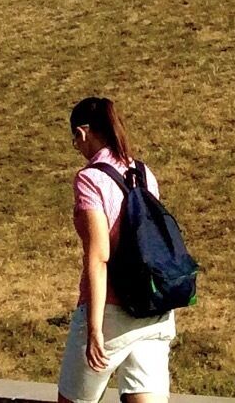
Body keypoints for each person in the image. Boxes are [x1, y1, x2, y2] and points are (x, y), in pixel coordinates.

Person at [60, 95, 176, 403]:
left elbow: (99, 255)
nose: (78, 148)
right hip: (154, 310)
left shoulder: (90, 179)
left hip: (110, 312)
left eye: (76, 141)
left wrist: (94, 328)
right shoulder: (144, 173)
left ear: (83, 133)